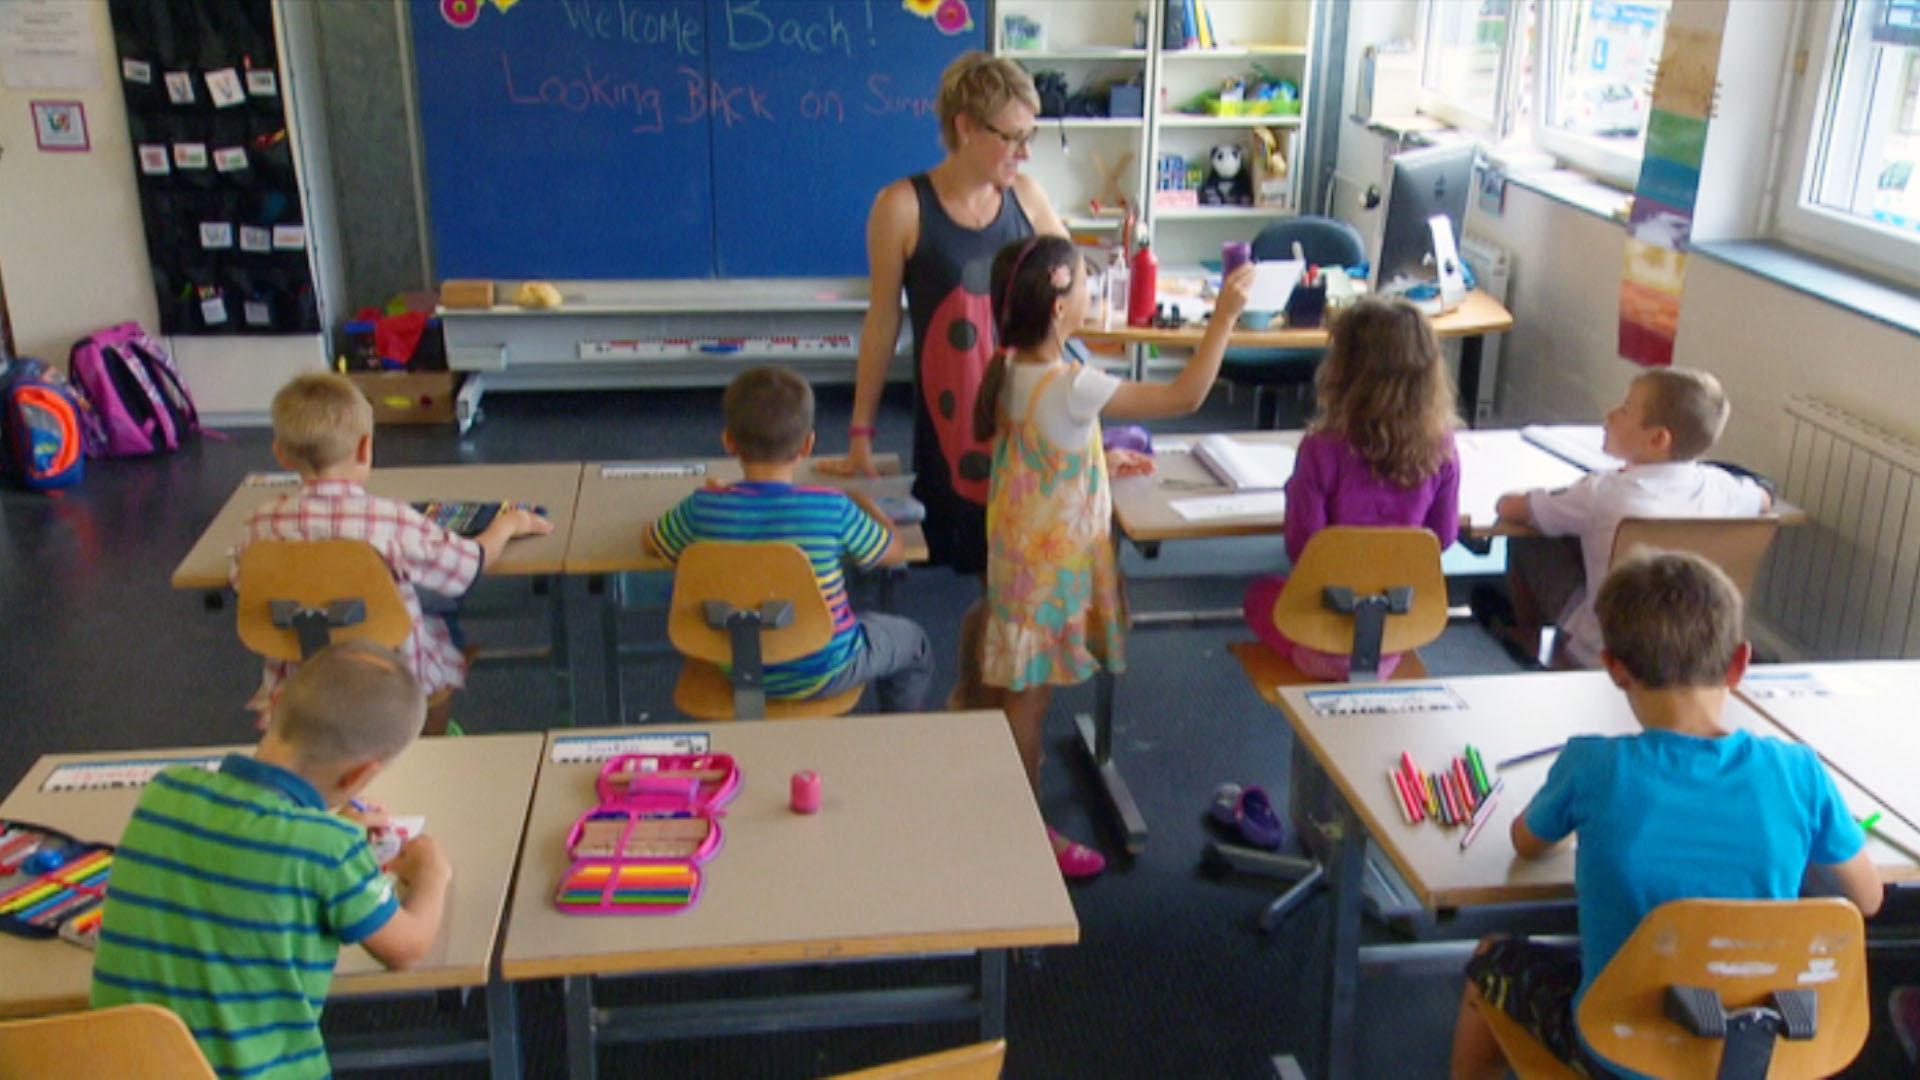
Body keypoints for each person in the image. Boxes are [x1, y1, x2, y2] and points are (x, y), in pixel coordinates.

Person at [1449, 551, 1883, 1079]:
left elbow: (1526, 843)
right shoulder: (1799, 772)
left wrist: (1569, 832)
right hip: (1773, 1047)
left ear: (1613, 667)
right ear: (1740, 663)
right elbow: (1866, 898)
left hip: (1621, 1051)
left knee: (1492, 960)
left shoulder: (1592, 767)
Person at [974, 234, 1252, 877]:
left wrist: (1096, 456)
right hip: (1050, 569)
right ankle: (1023, 828)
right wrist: (1225, 317)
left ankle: (1013, 804)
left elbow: (1043, 449)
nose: (1092, 292)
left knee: (1021, 690)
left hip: (1020, 556)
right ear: (1055, 305)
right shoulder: (1072, 382)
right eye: (1082, 283)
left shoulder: (1013, 368)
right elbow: (1186, 397)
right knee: (1028, 700)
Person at [92, 641, 453, 1079]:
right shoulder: (330, 848)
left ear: (275, 704)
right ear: (360, 774)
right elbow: (408, 948)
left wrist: (318, 824)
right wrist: (432, 872)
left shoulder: (166, 790)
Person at [821, 51, 1069, 578]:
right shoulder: (902, 206)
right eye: (1012, 137)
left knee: (1031, 562)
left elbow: (1075, 291)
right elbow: (883, 321)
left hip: (1029, 414)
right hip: (952, 419)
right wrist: (861, 435)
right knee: (959, 560)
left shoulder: (1027, 198)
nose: (1024, 153)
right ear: (965, 127)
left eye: (1031, 137)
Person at [230, 373, 552, 733]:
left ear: (281, 454)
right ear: (366, 448)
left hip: (299, 681)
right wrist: (507, 525)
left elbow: (243, 584)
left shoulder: (258, 525)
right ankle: (433, 740)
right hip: (393, 678)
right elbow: (467, 568)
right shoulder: (390, 519)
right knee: (439, 619)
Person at [646, 366, 933, 713]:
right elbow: (893, 551)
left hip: (736, 665)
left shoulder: (702, 507)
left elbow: (653, 542)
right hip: (825, 669)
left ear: (728, 441)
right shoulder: (833, 508)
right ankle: (899, 733)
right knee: (914, 643)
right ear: (808, 444)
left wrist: (725, 497)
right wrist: (865, 502)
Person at [1486, 367, 1772, 668]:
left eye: (1624, 410)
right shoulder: (1723, 489)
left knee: (1529, 541)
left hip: (1603, 644)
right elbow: (1764, 499)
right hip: (1685, 650)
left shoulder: (1603, 492)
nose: (1609, 415)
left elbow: (1511, 509)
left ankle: (1531, 641)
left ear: (1658, 439)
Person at [1241, 296, 1460, 678]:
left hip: (1324, 624)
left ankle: (1323, 659)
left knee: (1261, 595)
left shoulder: (1322, 448)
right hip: (1397, 623)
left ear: (1342, 371)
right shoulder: (1441, 448)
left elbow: (1303, 548)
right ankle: (1372, 658)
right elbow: (1442, 537)